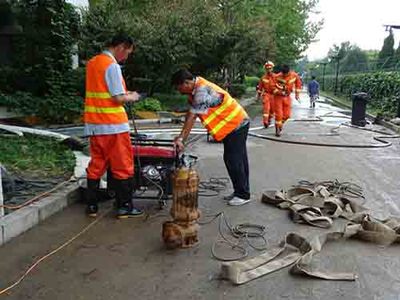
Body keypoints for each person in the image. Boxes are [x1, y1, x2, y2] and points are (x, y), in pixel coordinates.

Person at [84, 34, 144, 218]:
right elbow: (117, 97)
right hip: (113, 126)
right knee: (123, 165)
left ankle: (92, 206)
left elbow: (103, 91)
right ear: (121, 47)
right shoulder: (112, 66)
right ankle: (124, 207)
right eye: (127, 53)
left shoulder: (93, 63)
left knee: (97, 164)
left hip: (95, 124)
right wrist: (132, 96)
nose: (126, 57)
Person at [171, 69, 251, 206]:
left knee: (233, 160)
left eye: (179, 87)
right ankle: (241, 191)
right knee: (239, 159)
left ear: (186, 82)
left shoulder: (201, 90)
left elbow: (191, 117)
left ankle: (243, 194)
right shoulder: (195, 89)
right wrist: (181, 136)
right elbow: (190, 114)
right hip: (234, 124)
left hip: (236, 125)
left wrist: (181, 139)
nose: (179, 91)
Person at [272, 64, 302, 137]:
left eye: (286, 74)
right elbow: (272, 87)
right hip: (278, 97)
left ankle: (280, 124)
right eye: (283, 74)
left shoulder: (294, 75)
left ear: (289, 71)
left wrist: (297, 94)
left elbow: (298, 84)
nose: (284, 75)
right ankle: (277, 130)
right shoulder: (277, 76)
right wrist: (279, 92)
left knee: (287, 115)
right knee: (279, 114)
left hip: (287, 97)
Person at [256, 61, 276, 128]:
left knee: (272, 110)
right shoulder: (263, 78)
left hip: (274, 95)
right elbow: (260, 88)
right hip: (266, 95)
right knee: (266, 109)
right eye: (267, 69)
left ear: (272, 68)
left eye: (270, 68)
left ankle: (269, 119)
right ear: (265, 69)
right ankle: (265, 122)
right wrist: (258, 97)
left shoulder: (276, 77)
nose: (269, 70)